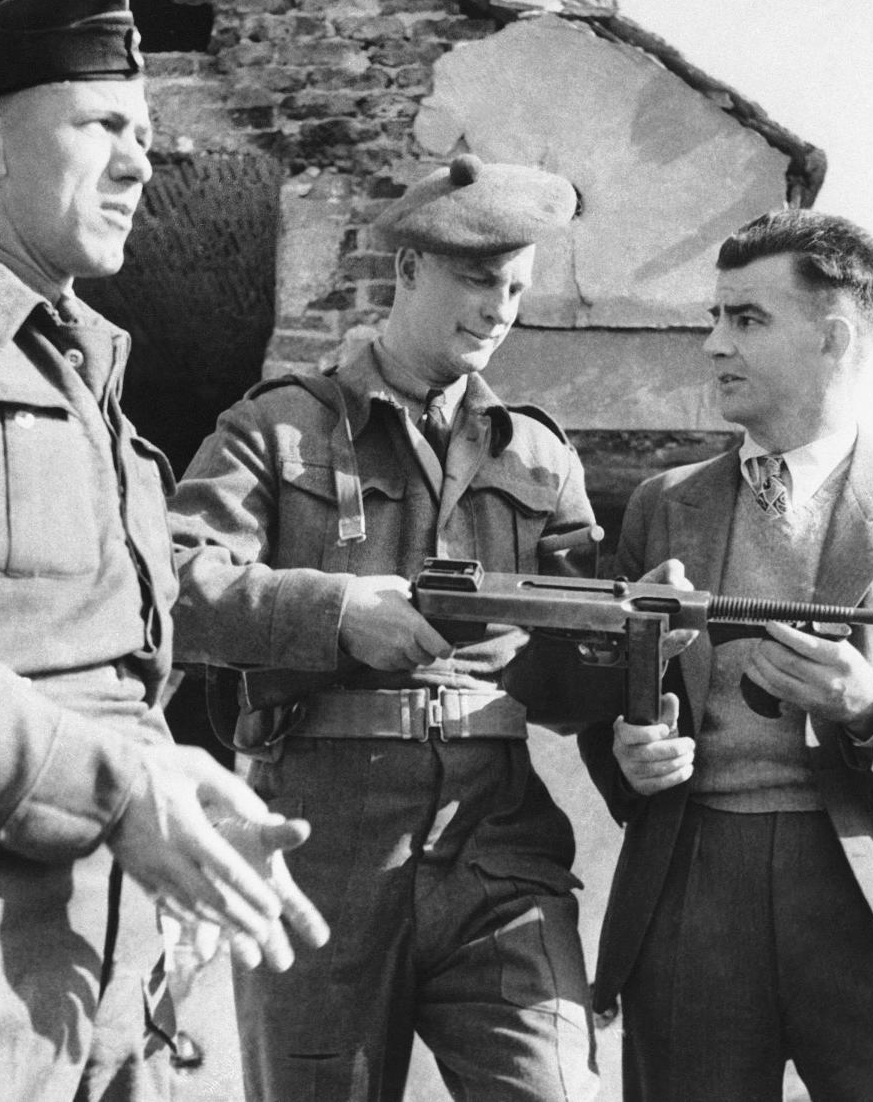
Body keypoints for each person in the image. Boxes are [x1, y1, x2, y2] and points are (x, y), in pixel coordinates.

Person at [169, 154, 602, 1101]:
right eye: (480, 280)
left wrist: (642, 646)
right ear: (407, 272)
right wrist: (333, 610)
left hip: (497, 843)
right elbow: (169, 583)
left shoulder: (538, 455)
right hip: (322, 844)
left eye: (518, 289)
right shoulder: (277, 431)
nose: (500, 309)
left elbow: (575, 675)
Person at [0, 0, 327, 1101]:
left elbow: (86, 653)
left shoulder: (87, 370)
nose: (138, 165)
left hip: (130, 969)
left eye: (147, 135)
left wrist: (171, 779)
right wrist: (120, 788)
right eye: (101, 126)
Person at [578, 209, 873, 1101]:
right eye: (715, 316)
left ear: (833, 337)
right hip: (692, 889)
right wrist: (629, 754)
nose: (711, 344)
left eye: (746, 318)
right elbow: (609, 703)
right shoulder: (661, 506)